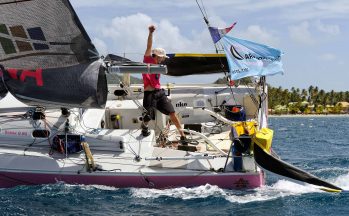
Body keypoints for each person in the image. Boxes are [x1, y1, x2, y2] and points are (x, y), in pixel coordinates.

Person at [141, 25, 187, 145]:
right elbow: (149, 46)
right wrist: (150, 33)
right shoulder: (148, 60)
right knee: (149, 116)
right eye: (161, 57)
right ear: (156, 56)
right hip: (149, 93)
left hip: (159, 92)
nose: (163, 60)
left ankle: (182, 135)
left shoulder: (160, 66)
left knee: (172, 112)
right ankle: (144, 125)